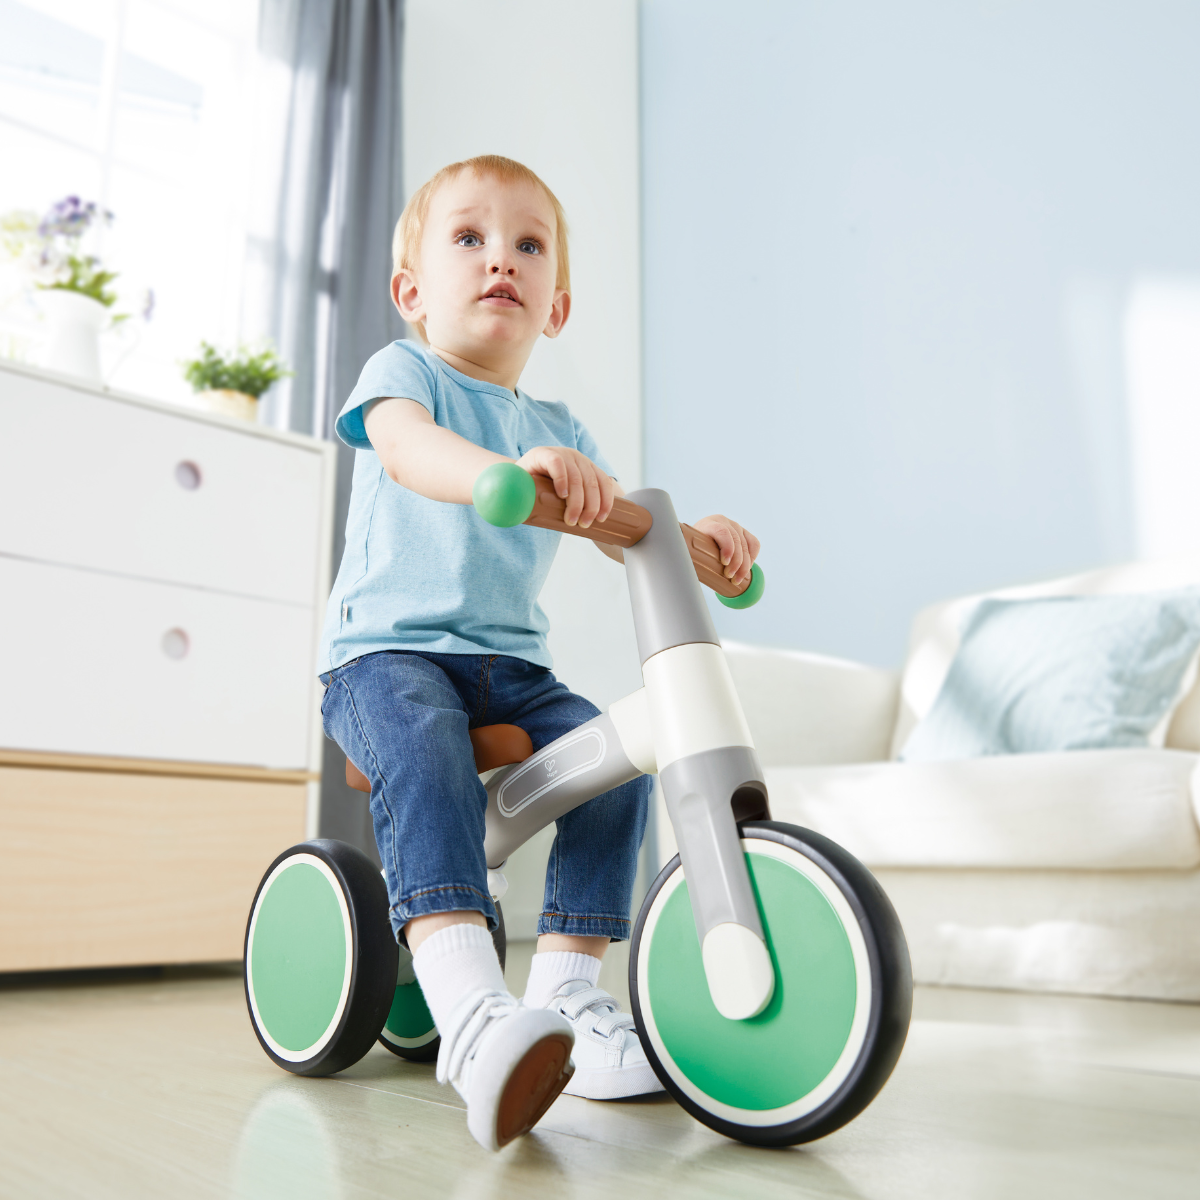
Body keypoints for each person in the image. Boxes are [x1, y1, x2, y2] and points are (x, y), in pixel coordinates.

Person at [318, 155, 760, 1152]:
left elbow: (620, 527)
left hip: (508, 670)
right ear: (412, 291)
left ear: (556, 306)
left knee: (618, 763)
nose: (500, 260)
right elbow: (406, 451)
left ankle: (566, 1000)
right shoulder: (405, 375)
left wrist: (703, 546)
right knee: (424, 746)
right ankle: (472, 1016)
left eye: (528, 245)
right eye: (468, 239)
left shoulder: (558, 430)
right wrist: (498, 473)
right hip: (384, 659)